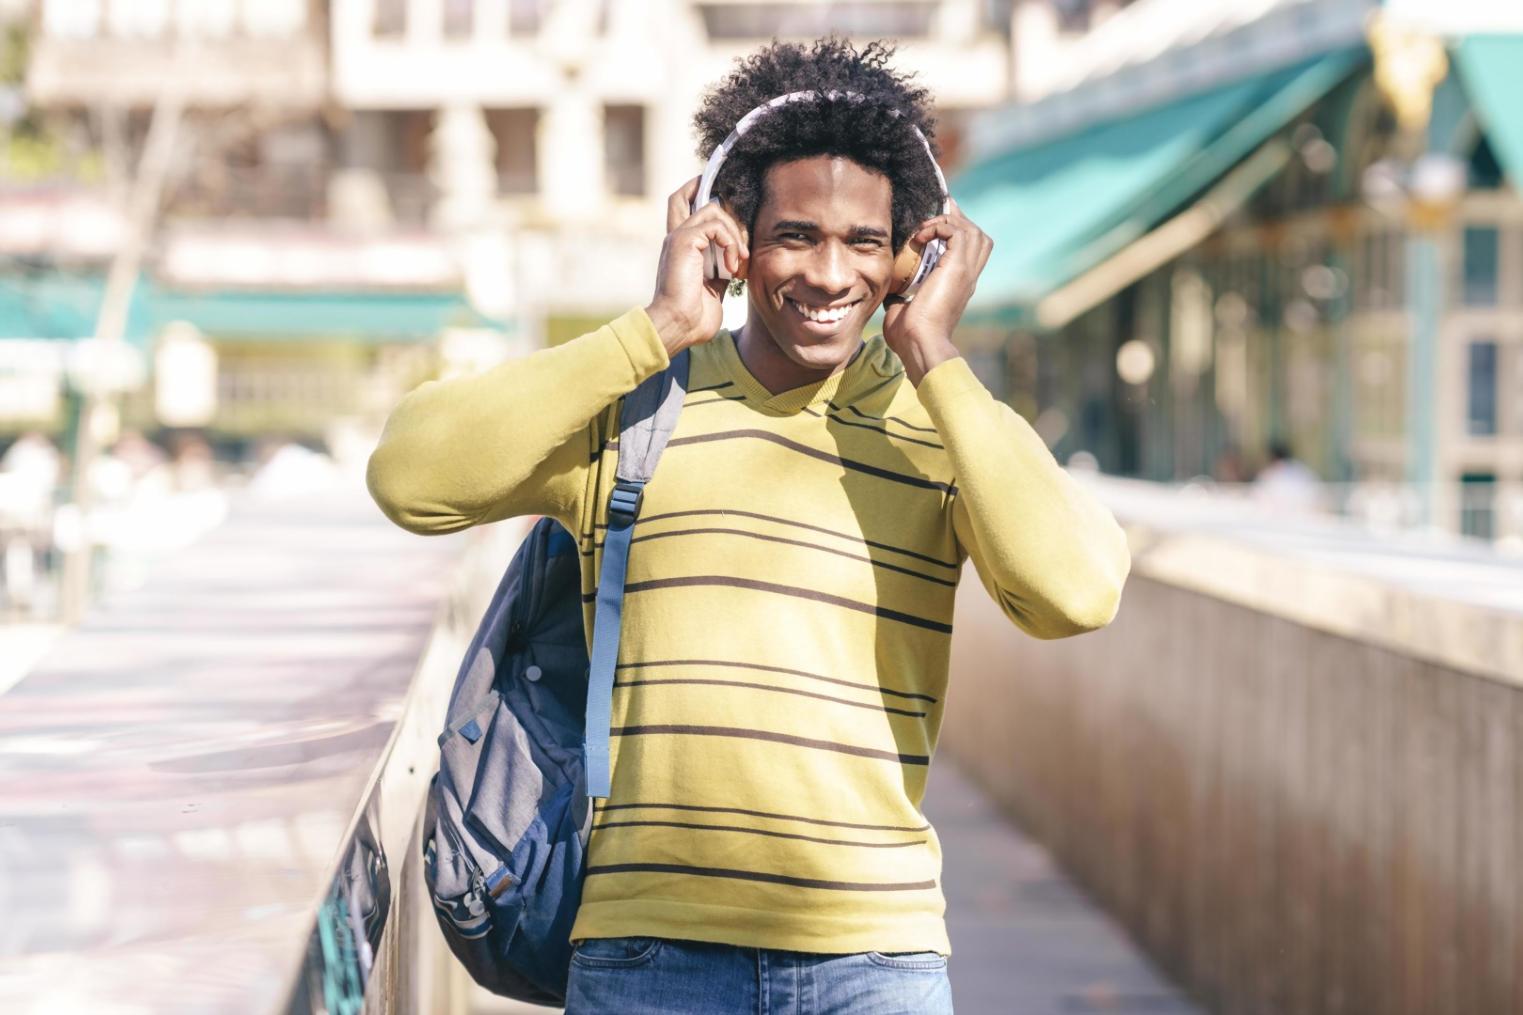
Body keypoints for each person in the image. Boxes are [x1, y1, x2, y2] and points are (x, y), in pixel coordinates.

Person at [367, 38, 1130, 1015]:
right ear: (730, 235)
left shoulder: (942, 427)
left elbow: (1075, 591)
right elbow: (410, 478)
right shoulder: (637, 408)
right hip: (647, 957)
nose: (827, 273)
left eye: (863, 240)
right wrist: (654, 325)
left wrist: (934, 350)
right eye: (796, 235)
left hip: (878, 962)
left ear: (913, 252)